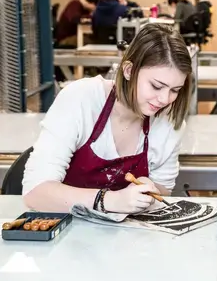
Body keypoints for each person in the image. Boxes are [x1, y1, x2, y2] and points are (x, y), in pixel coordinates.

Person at [22, 23, 193, 214]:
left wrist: (149, 189)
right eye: (156, 86)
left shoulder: (168, 122)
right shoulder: (81, 99)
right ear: (128, 70)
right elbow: (35, 193)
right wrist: (109, 201)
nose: (164, 99)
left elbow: (163, 191)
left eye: (175, 90)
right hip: (64, 232)